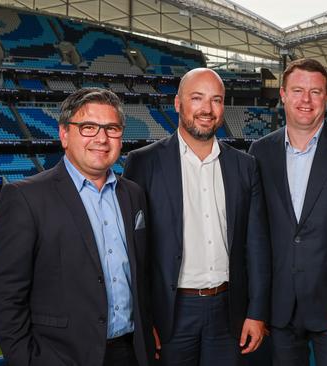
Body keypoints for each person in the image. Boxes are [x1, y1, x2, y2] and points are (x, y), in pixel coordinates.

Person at [0, 88, 153, 366]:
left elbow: (140, 274)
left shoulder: (133, 194)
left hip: (130, 352)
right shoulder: (26, 198)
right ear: (64, 134)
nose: (101, 138)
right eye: (89, 127)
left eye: (111, 128)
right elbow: (4, 295)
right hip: (61, 356)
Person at [124, 68, 270, 365]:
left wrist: (256, 312)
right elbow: (134, 252)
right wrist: (143, 317)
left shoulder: (245, 166)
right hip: (171, 312)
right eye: (197, 98)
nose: (207, 109)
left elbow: (256, 246)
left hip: (229, 311)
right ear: (178, 103)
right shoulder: (143, 162)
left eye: (216, 100)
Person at [248, 58, 327, 366]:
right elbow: (255, 234)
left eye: (315, 92)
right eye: (297, 90)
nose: (305, 100)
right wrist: (257, 304)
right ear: (282, 94)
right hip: (279, 307)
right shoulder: (260, 152)